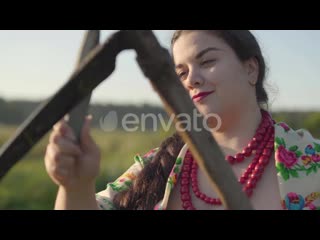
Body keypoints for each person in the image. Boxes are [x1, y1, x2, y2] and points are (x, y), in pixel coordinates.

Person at [44, 30, 320, 210]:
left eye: (207, 61)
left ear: (250, 69)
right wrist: (76, 185)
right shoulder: (156, 167)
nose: (192, 79)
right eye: (181, 72)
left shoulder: (312, 162)